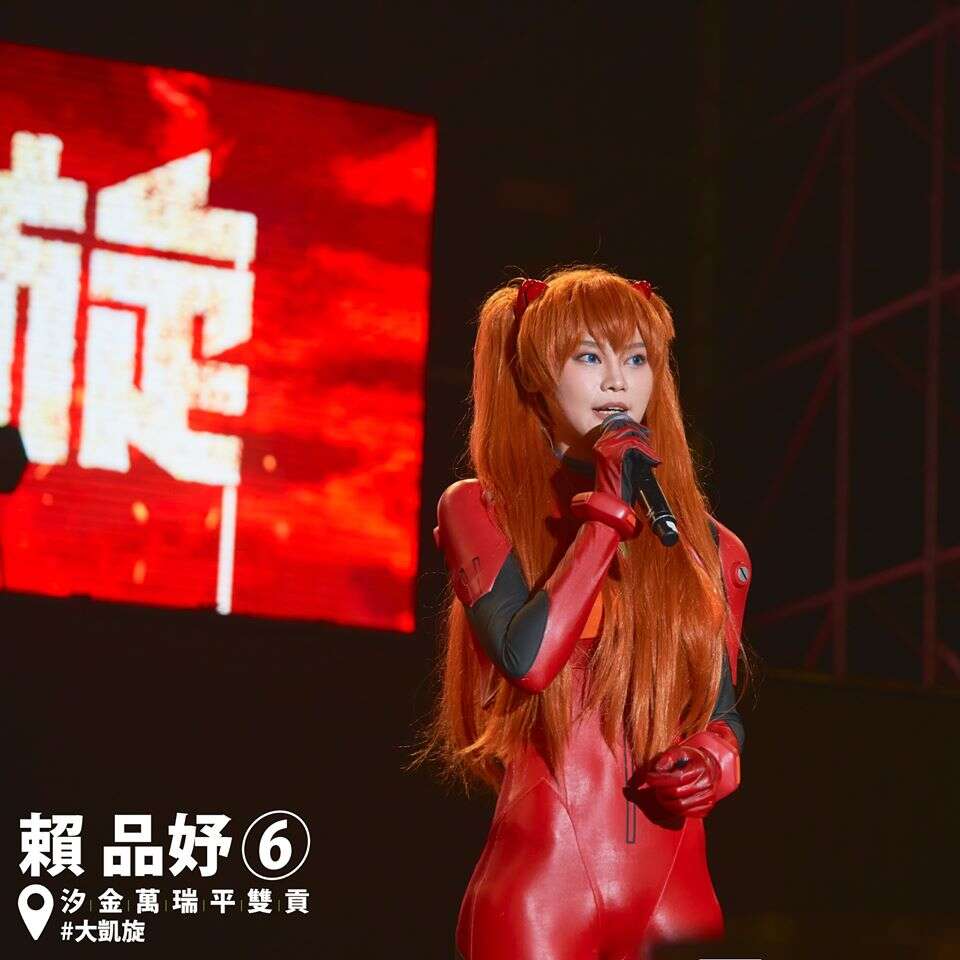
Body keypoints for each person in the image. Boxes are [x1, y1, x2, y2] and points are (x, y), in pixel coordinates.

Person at [422, 266, 752, 959]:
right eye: (590, 358)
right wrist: (605, 516)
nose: (617, 383)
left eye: (636, 359)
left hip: (679, 900)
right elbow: (529, 660)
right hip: (543, 895)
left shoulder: (713, 549)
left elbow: (720, 712)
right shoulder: (481, 510)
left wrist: (711, 762)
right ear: (537, 375)